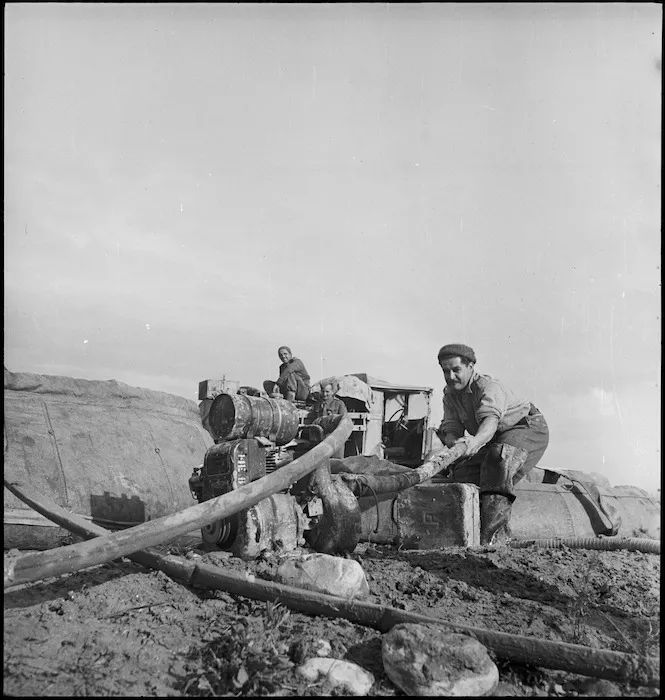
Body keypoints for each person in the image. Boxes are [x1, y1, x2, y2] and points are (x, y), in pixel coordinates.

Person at [434, 343, 549, 545]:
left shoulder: (489, 388)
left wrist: (474, 443)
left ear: (471, 367)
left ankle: (493, 537)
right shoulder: (450, 395)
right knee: (462, 473)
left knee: (499, 459)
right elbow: (451, 429)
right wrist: (456, 445)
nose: (451, 376)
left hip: (526, 428)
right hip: (494, 437)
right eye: (446, 371)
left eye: (456, 370)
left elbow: (490, 422)